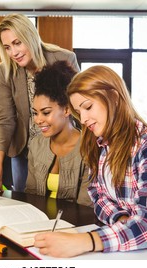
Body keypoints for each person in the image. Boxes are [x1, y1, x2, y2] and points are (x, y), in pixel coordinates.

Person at [34, 65, 147, 257]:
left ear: (114, 98)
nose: (83, 119)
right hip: (135, 247)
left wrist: (86, 240)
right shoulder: (100, 145)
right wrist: (122, 219)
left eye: (88, 107)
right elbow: (97, 195)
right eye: (79, 111)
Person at [0, 13, 80, 192]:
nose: (13, 53)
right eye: (7, 47)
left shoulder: (63, 58)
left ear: (30, 37)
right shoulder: (5, 70)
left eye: (17, 43)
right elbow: (5, 117)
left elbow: (78, 105)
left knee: (62, 195)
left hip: (61, 145)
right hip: (24, 150)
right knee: (25, 200)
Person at [25, 61, 91, 207]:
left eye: (46, 112)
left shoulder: (88, 148)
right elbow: (30, 195)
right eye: (35, 113)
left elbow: (85, 206)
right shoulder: (36, 144)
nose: (38, 120)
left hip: (74, 226)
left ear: (67, 110)